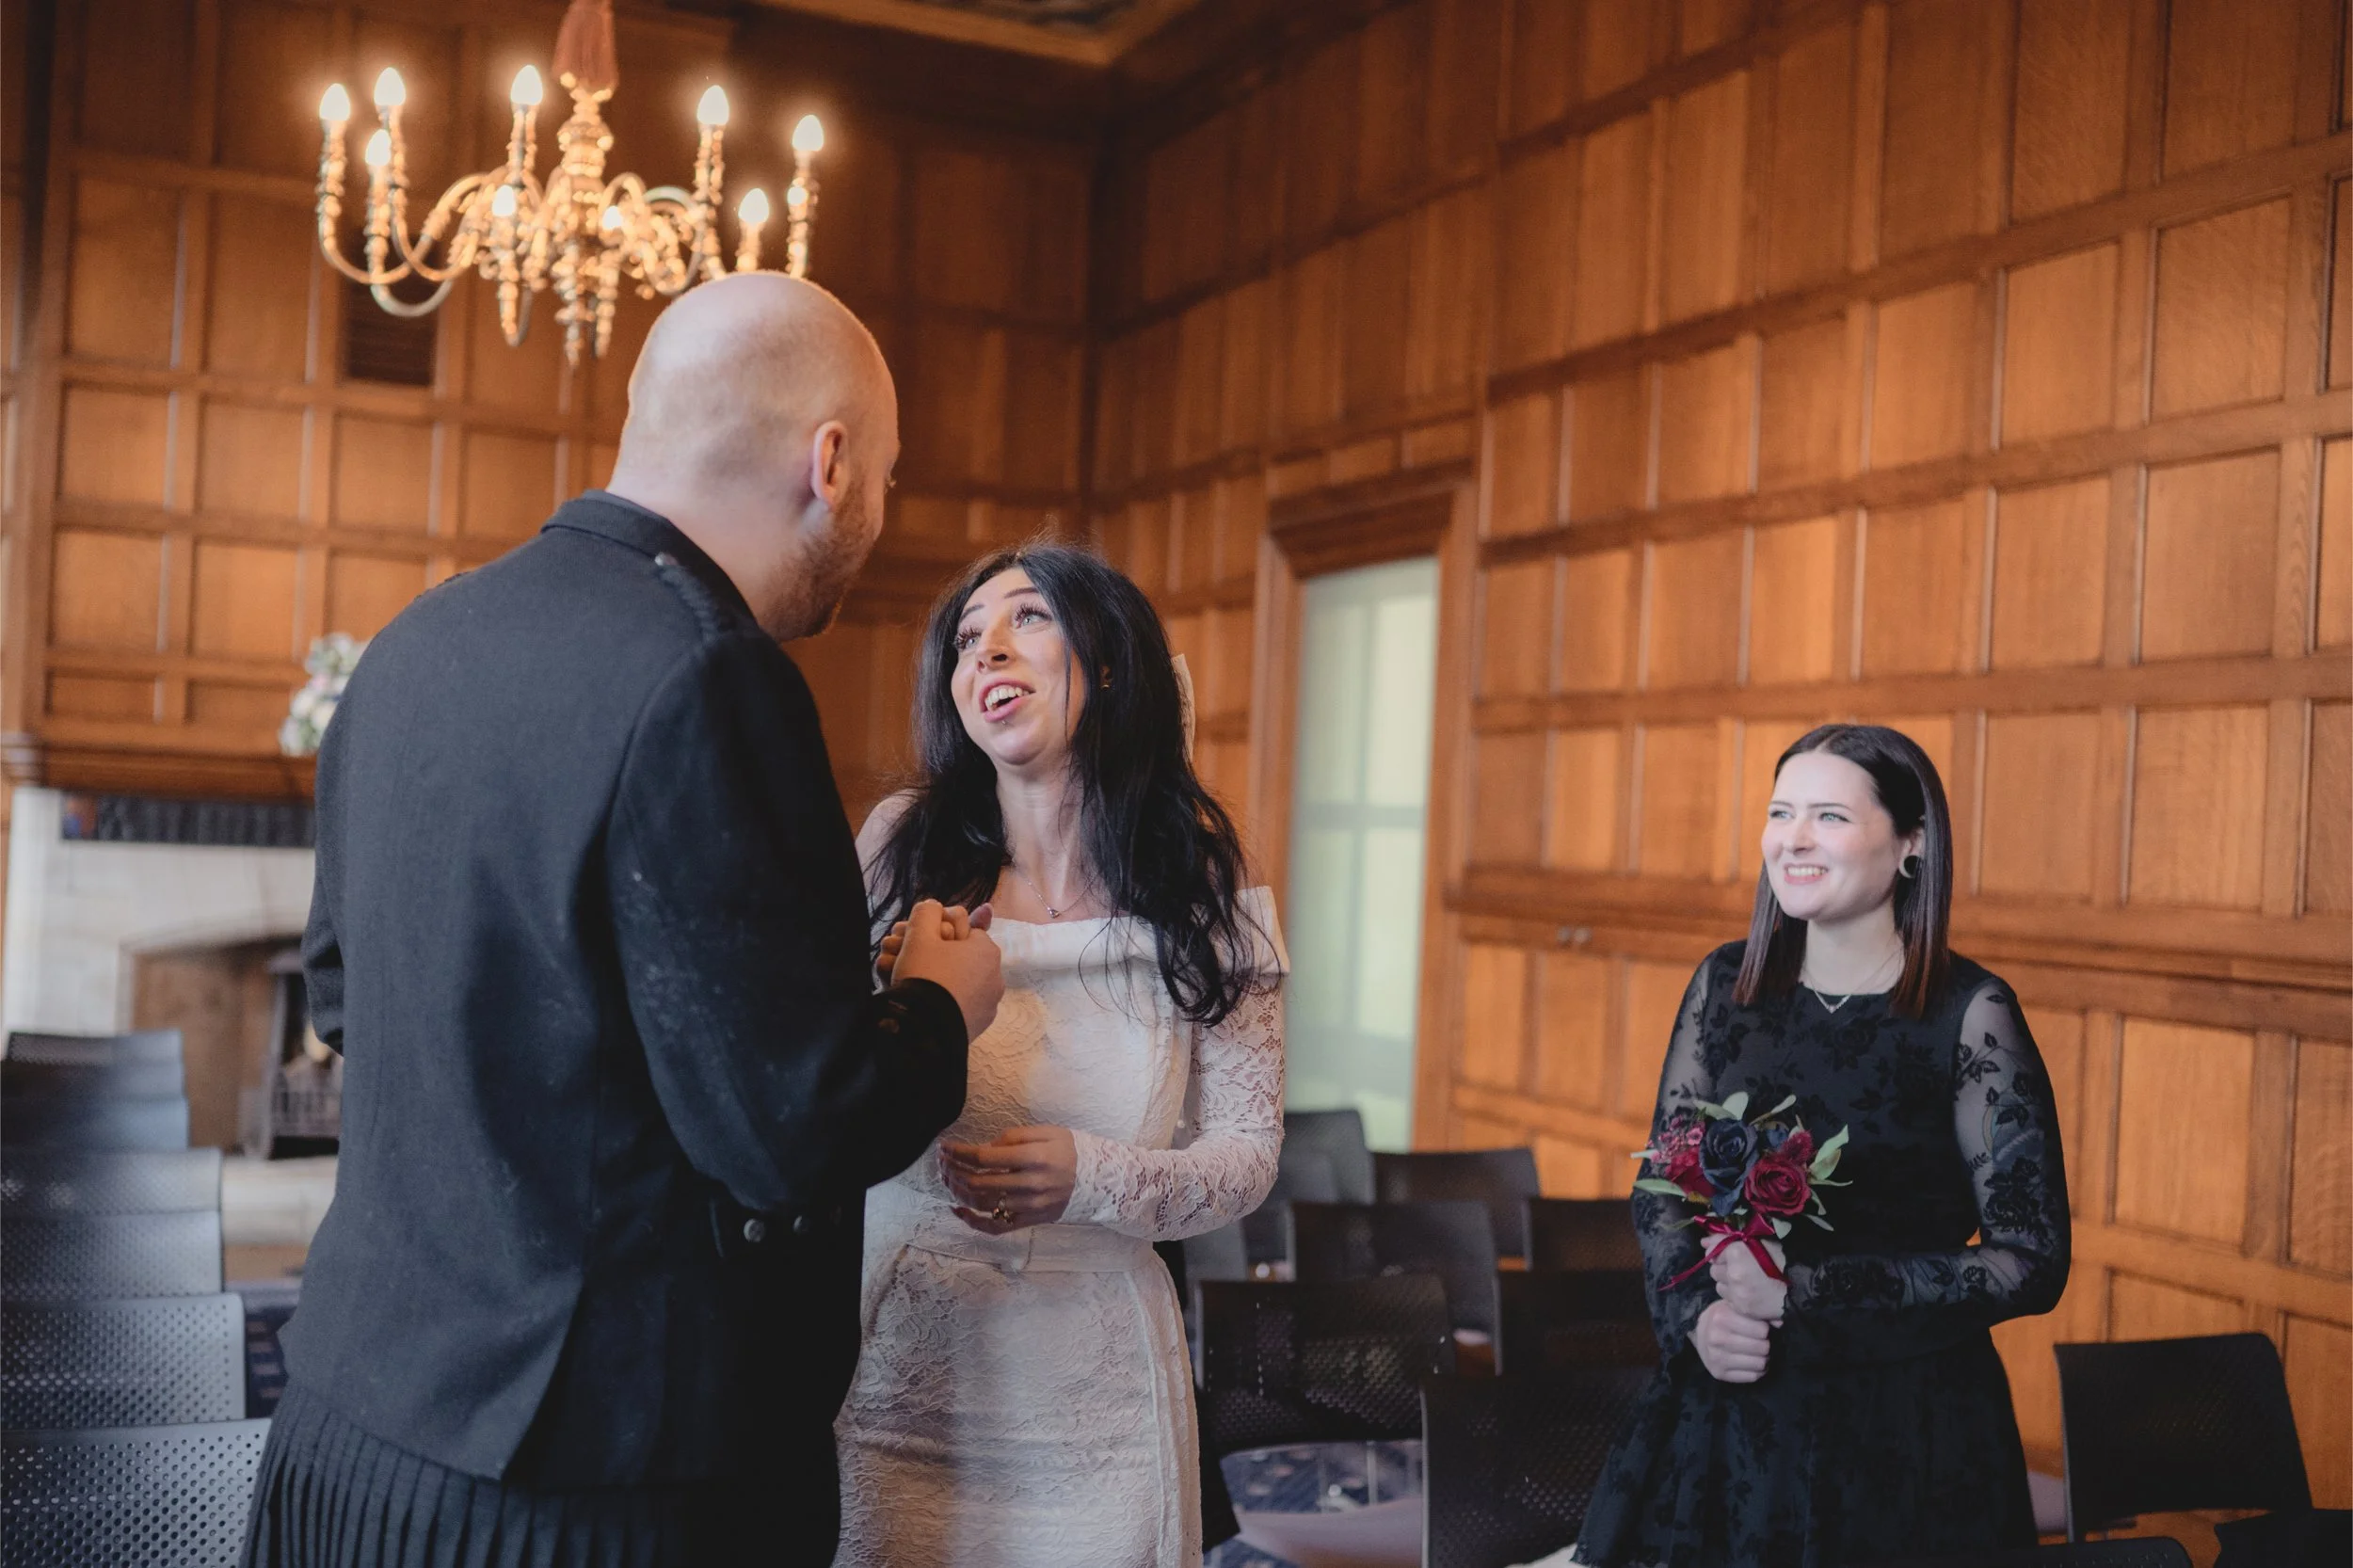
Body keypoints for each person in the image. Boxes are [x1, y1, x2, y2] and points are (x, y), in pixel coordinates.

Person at [244, 274, 1004, 1568]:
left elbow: (344, 1004)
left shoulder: (411, 646)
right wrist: (938, 1001)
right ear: (829, 462)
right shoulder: (712, 673)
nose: (878, 510)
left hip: (343, 1439)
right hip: (593, 1487)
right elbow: (789, 1130)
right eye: (883, 472)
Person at [834, 544, 1287, 1567]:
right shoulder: (898, 846)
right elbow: (822, 1091)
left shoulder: (1202, 881)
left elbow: (1249, 1154)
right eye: (964, 636)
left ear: (1111, 664)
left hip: (1101, 1386)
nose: (985, 645)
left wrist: (1092, 1175)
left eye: (1026, 617)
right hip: (903, 1359)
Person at [1573, 724, 2069, 1567]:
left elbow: (2031, 1258)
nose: (1793, 838)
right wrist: (1698, 1320)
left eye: (1829, 816)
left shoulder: (1970, 1011)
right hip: (1731, 1414)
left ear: (1912, 843)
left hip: (1910, 1429)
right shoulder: (1724, 988)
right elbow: (1662, 1186)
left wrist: (1802, 1294)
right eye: (1780, 812)